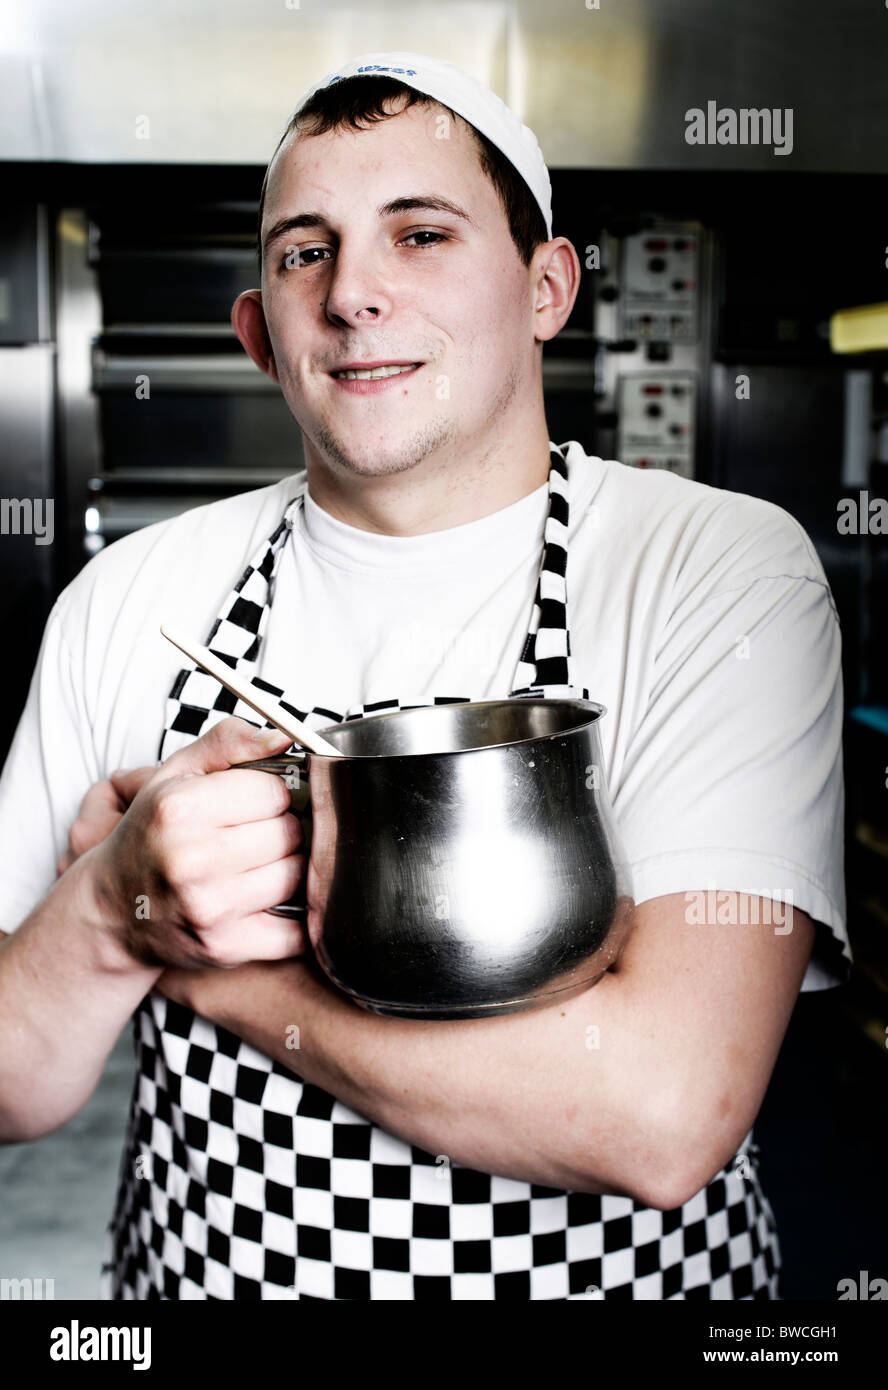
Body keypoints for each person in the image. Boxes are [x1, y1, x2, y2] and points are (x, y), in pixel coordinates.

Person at [0, 51, 849, 1301]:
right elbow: (15, 1076)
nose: (356, 296)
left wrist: (209, 970)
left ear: (548, 286)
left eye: (422, 234)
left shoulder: (710, 572)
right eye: (305, 252)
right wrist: (106, 906)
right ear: (257, 330)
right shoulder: (130, 599)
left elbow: (664, 1111)